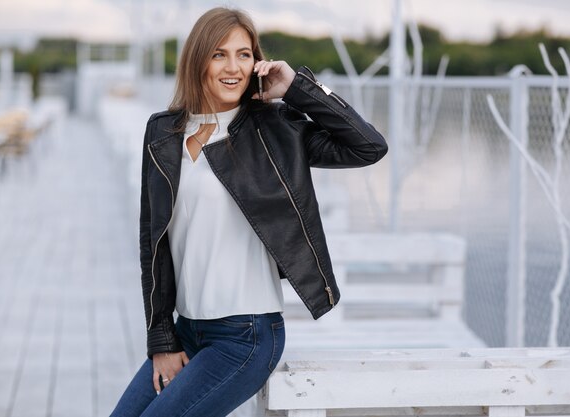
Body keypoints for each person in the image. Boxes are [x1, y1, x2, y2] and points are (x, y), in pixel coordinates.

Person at [110, 6, 387, 417]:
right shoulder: (163, 132)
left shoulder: (274, 128)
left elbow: (368, 146)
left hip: (246, 335)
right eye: (219, 54)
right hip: (187, 330)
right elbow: (153, 243)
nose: (233, 67)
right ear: (196, 59)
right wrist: (162, 340)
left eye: (244, 54)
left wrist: (296, 87)